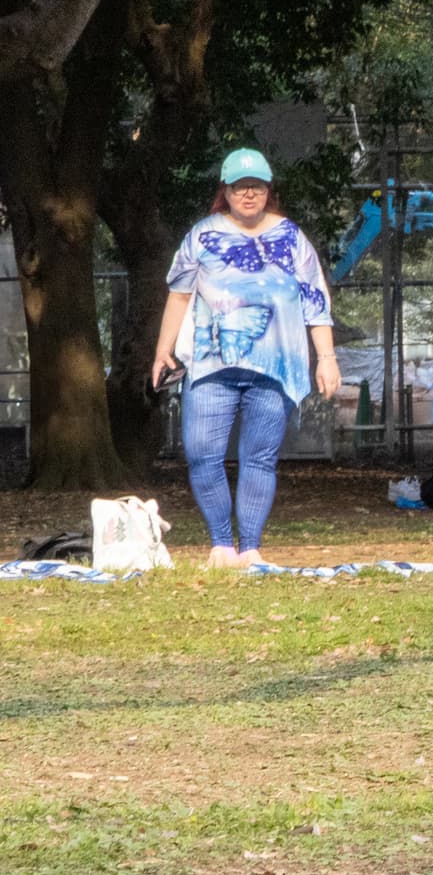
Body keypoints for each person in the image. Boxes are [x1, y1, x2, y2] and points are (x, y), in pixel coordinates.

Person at [152, 149, 341, 568]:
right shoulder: (201, 236)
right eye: (240, 186)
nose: (249, 193)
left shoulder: (293, 239)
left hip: (273, 369)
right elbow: (180, 295)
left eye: (256, 185)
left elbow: (316, 302)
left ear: (268, 189)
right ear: (226, 191)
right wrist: (163, 350)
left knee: (259, 458)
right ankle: (222, 544)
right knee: (202, 454)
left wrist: (326, 358)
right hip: (210, 365)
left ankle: (250, 547)